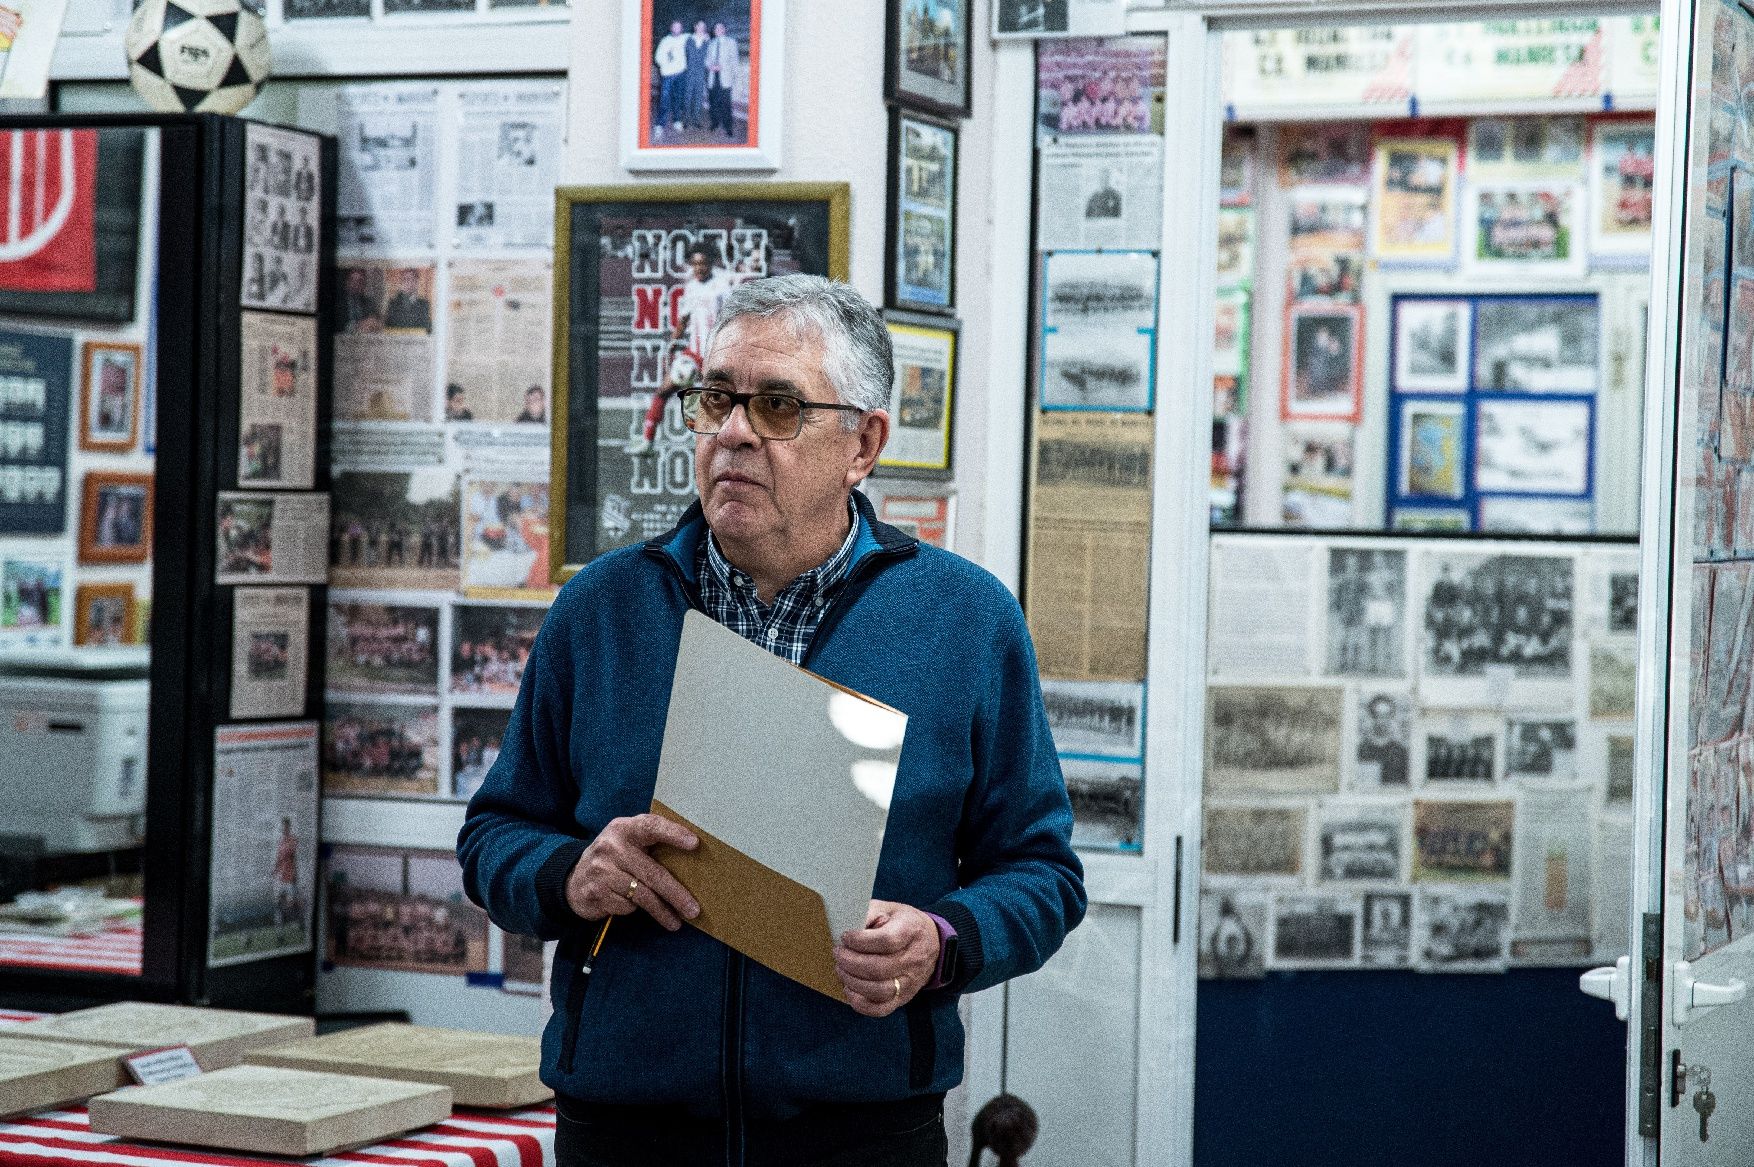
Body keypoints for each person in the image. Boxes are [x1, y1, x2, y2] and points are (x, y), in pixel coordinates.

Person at [458, 275, 1085, 1167]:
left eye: (780, 405)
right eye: (716, 399)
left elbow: (1043, 871)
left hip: (861, 1129)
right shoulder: (602, 609)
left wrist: (943, 942)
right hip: (625, 1127)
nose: (734, 431)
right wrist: (569, 873)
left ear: (862, 443)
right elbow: (493, 835)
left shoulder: (966, 621)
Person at [629, 244, 732, 455]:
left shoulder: (723, 286)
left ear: (711, 263)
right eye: (694, 264)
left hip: (715, 357)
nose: (698, 268)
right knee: (663, 391)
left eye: (702, 263)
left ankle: (723, 450)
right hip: (693, 354)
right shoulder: (691, 287)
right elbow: (684, 320)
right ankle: (647, 442)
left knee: (715, 406)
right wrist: (673, 342)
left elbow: (732, 319)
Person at [653, 19, 689, 135]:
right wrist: (668, 60)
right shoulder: (665, 41)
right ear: (671, 28)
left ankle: (677, 121)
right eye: (675, 27)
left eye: (679, 27)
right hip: (668, 75)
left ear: (681, 29)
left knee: (678, 99)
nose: (677, 29)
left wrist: (706, 36)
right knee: (664, 99)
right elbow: (658, 58)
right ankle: (660, 124)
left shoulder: (685, 37)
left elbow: (700, 35)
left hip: (681, 74)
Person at [705, 21, 739, 136]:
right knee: (713, 102)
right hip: (712, 76)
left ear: (724, 30)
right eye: (716, 29)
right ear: (714, 31)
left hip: (725, 77)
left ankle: (728, 126)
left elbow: (734, 61)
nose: (718, 30)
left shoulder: (731, 42)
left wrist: (723, 68)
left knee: (726, 103)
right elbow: (707, 59)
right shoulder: (711, 43)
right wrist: (710, 66)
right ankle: (715, 122)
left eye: (720, 28)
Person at [684, 20, 711, 130]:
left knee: (698, 97)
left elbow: (709, 56)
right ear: (695, 26)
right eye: (699, 26)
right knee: (688, 96)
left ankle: (696, 119)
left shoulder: (707, 41)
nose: (701, 28)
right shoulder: (689, 39)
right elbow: (687, 55)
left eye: (703, 26)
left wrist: (707, 41)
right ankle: (685, 119)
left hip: (701, 73)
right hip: (689, 72)